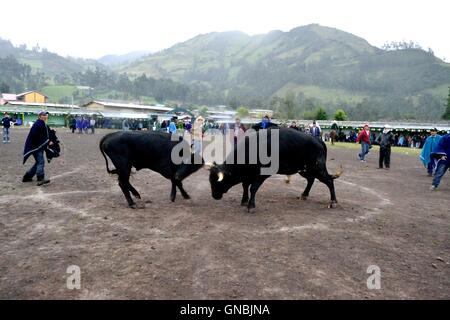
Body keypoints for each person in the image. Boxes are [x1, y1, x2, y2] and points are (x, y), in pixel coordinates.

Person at [22, 111, 53, 186]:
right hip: (35, 146)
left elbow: (44, 133)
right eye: (43, 115)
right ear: (39, 116)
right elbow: (36, 136)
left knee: (38, 162)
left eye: (46, 115)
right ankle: (40, 177)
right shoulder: (38, 124)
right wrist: (47, 142)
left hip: (38, 146)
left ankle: (27, 176)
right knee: (40, 161)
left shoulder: (41, 123)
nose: (45, 116)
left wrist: (51, 132)